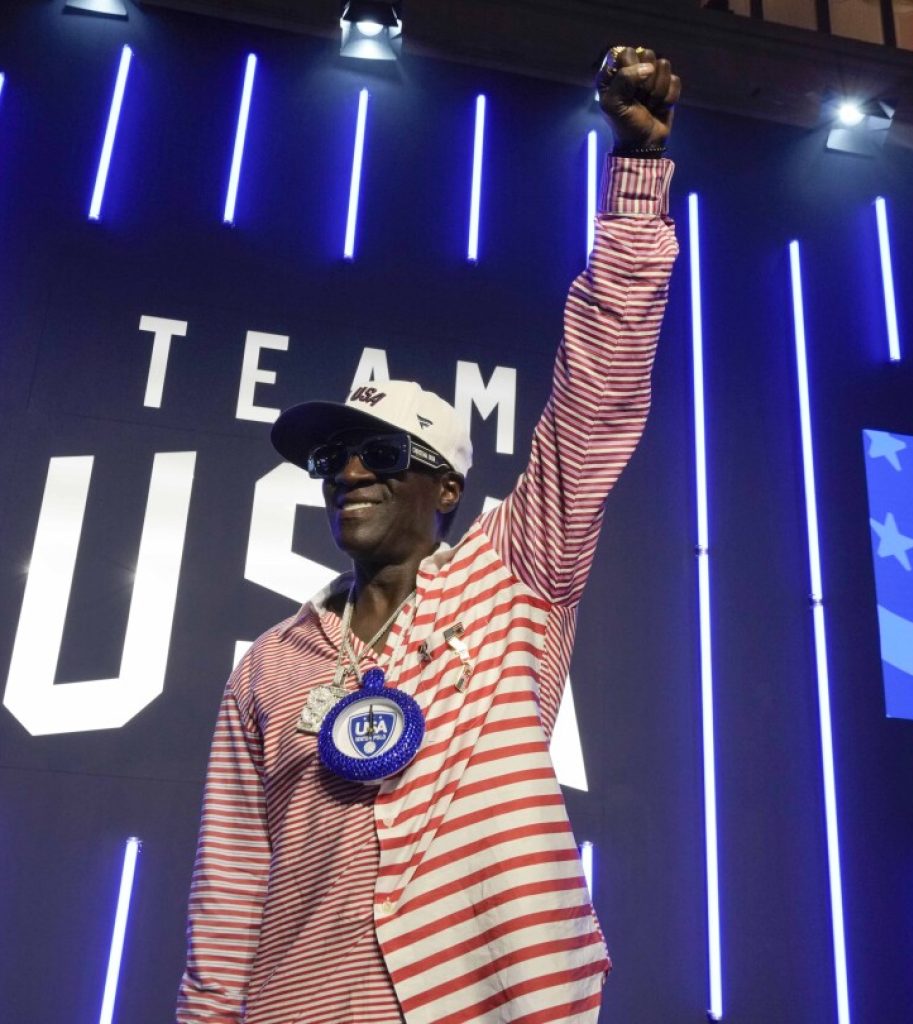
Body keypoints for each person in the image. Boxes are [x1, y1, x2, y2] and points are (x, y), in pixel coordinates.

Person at [178, 45, 681, 1024]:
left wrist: (635, 185)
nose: (349, 470)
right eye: (332, 456)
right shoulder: (267, 669)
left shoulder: (515, 576)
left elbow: (596, 396)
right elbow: (228, 900)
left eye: (379, 451)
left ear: (446, 485)